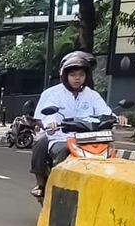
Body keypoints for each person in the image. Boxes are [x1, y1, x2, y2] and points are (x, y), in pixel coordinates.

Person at [29, 51, 113, 197]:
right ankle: (47, 184)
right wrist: (51, 123)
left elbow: (105, 112)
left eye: (81, 75)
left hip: (88, 137)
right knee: (45, 145)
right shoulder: (54, 95)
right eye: (73, 75)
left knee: (109, 151)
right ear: (65, 75)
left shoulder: (92, 95)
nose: (77, 78)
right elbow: (45, 116)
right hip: (61, 136)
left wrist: (116, 118)